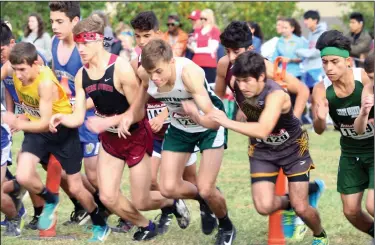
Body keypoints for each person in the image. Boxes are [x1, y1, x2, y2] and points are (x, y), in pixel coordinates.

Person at [49, 14, 190, 241]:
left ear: (97, 41)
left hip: (135, 136)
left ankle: (171, 201)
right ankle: (146, 226)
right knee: (107, 196)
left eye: (85, 43)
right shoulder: (81, 75)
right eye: (78, 44)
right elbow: (77, 117)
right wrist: (61, 118)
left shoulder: (121, 68)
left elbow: (139, 110)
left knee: (142, 199)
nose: (81, 49)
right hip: (111, 141)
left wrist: (110, 120)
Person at [118, 39, 236, 245]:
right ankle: (204, 200)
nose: (154, 78)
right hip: (180, 128)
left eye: (158, 72)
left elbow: (214, 120)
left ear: (171, 62)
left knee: (207, 187)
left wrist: (196, 116)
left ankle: (226, 226)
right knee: (168, 188)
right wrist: (128, 117)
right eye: (150, 72)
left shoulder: (188, 74)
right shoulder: (146, 75)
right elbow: (138, 108)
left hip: (207, 127)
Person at [210, 51, 328, 245]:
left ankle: (319, 234)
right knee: (263, 206)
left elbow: (263, 129)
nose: (242, 86)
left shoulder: (276, 95)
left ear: (262, 77)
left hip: (293, 148)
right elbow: (220, 99)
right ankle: (307, 192)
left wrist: (226, 121)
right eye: (239, 81)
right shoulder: (238, 85)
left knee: (302, 208)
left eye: (247, 81)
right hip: (263, 150)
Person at [3, 42, 110, 242]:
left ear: (36, 64)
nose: (18, 75)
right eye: (15, 70)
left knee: (76, 187)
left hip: (62, 131)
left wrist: (16, 120)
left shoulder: (45, 83)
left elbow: (44, 123)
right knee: (24, 175)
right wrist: (20, 117)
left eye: (23, 70)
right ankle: (50, 199)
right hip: (39, 132)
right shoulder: (11, 68)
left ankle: (100, 223)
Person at [130, 11, 197, 235]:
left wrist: (163, 115)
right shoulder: (135, 62)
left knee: (191, 181)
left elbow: (180, 94)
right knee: (151, 180)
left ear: (158, 33)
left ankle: (210, 204)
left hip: (178, 127)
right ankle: (171, 207)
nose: (141, 42)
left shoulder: (172, 57)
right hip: (154, 132)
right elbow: (139, 97)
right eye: (137, 36)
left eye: (146, 35)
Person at [312, 30, 374, 239]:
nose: (329, 68)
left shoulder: (365, 78)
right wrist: (320, 118)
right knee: (351, 211)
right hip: (351, 151)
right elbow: (319, 130)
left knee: (373, 205)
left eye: (334, 61)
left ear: (348, 61)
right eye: (324, 62)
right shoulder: (321, 90)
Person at [49, 1, 102, 226]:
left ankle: (111, 207)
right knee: (59, 169)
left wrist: (78, 108)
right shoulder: (54, 42)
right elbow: (53, 78)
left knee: (93, 176)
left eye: (60, 22)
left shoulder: (85, 49)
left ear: (75, 21)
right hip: (66, 118)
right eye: (52, 21)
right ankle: (86, 205)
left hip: (88, 118)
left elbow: (100, 91)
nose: (54, 26)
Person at [215, 21, 310, 122]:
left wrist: (295, 120)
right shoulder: (223, 64)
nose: (232, 57)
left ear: (250, 48)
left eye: (236, 51)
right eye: (227, 51)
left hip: (282, 127)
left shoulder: (265, 67)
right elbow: (218, 97)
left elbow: (303, 90)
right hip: (256, 127)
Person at [272, 18, 306, 109]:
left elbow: (303, 57)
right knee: (283, 98)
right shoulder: (279, 41)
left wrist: (290, 60)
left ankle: (295, 119)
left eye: (285, 28)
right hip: (282, 75)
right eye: (282, 27)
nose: (283, 30)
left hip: (295, 73)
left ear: (292, 28)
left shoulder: (299, 41)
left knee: (294, 98)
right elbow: (274, 58)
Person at [187, 9, 220, 87]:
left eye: (205, 19)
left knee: (209, 87)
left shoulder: (215, 31)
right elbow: (193, 46)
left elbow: (212, 48)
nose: (202, 21)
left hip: (209, 64)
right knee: (195, 87)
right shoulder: (197, 30)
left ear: (210, 19)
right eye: (201, 18)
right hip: (196, 63)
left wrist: (197, 50)